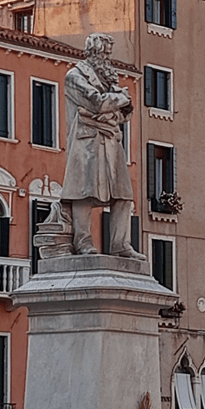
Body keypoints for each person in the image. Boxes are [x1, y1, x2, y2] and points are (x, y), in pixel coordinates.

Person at [59, 32, 144, 259]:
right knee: (83, 193)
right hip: (86, 142)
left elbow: (124, 113)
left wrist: (112, 108)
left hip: (112, 140)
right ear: (93, 53)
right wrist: (117, 101)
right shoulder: (74, 77)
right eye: (104, 53)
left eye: (109, 53)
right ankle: (83, 242)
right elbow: (95, 102)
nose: (107, 57)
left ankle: (120, 244)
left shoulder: (109, 80)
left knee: (124, 194)